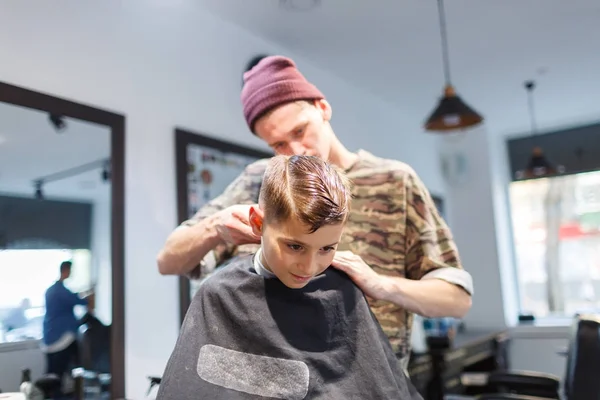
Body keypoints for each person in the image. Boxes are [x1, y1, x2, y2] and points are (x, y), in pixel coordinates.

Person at [157, 55, 474, 370]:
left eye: (299, 132)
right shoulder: (260, 181)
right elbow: (168, 262)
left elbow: (457, 300)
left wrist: (382, 285)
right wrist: (215, 226)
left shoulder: (395, 182)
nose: (295, 151)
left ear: (322, 107)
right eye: (278, 144)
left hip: (372, 384)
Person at [157, 155, 423, 400]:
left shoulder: (343, 294)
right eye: (295, 246)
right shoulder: (219, 295)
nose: (309, 266)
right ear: (258, 223)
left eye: (327, 248)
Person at [42, 260, 94, 390]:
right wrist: (90, 296)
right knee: (62, 372)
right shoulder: (61, 292)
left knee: (52, 372)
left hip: (50, 336)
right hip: (61, 338)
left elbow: (72, 297)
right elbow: (79, 301)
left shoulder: (51, 290)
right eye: (69, 271)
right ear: (65, 270)